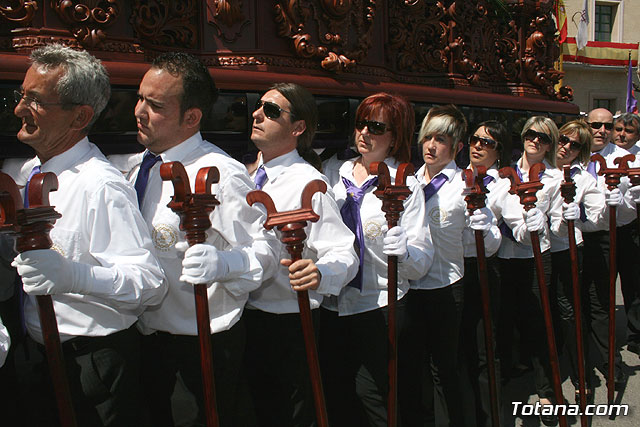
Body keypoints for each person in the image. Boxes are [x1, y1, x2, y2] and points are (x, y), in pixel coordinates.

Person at [109, 52, 281, 427]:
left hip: (200, 338)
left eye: (155, 105)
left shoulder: (220, 173)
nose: (139, 111)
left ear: (191, 117)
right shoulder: (139, 167)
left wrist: (226, 264)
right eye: (140, 97)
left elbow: (267, 247)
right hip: (145, 334)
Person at [7, 43, 166, 427]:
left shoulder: (101, 186)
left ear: (79, 116)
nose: (18, 110)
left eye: (35, 100)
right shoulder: (29, 172)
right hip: (36, 355)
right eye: (21, 95)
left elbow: (150, 282)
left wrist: (74, 275)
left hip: (93, 365)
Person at [243, 83, 358, 426]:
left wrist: (321, 272)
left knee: (290, 414)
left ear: (298, 128)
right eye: (259, 105)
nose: (258, 114)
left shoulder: (309, 183)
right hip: (240, 318)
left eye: (272, 110)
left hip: (288, 322)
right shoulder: (241, 175)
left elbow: (342, 250)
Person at [321, 93, 433, 427]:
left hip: (380, 303)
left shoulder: (405, 184)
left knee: (375, 395)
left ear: (395, 136)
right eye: (360, 124)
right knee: (335, 390)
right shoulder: (331, 171)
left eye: (376, 126)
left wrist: (406, 251)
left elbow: (421, 260)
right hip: (332, 301)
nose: (364, 133)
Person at [400, 106, 500, 427]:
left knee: (444, 369)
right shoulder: (408, 181)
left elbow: (491, 243)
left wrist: (485, 226)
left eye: (440, 140)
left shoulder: (465, 186)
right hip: (410, 289)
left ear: (457, 147)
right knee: (412, 367)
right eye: (426, 137)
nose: (430, 146)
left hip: (446, 289)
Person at [496, 116, 563, 426]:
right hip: (504, 256)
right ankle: (508, 378)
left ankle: (547, 389)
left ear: (550, 144)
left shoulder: (555, 177)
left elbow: (559, 220)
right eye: (531, 134)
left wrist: (548, 221)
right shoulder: (502, 174)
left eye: (544, 137)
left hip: (536, 256)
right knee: (503, 319)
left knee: (538, 323)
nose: (536, 140)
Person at [460, 120, 512, 427]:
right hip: (448, 268)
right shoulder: (453, 177)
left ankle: (491, 417)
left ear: (499, 151)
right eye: (475, 139)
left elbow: (511, 225)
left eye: (487, 143)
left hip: (481, 267)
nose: (478, 146)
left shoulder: (503, 184)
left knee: (483, 350)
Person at [583, 108, 639, 382]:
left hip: (609, 237)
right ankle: (578, 354)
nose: (602, 131)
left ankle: (610, 363)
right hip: (573, 239)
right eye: (596, 125)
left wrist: (621, 202)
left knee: (602, 301)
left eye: (607, 126)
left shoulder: (623, 159)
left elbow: (629, 212)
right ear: (586, 125)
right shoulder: (571, 153)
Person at [552, 120, 606, 402]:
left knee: (568, 311)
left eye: (575, 145)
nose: (566, 147)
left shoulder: (583, 179)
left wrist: (580, 214)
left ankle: (580, 372)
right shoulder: (541, 168)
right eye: (563, 139)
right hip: (533, 250)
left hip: (566, 249)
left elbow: (598, 216)